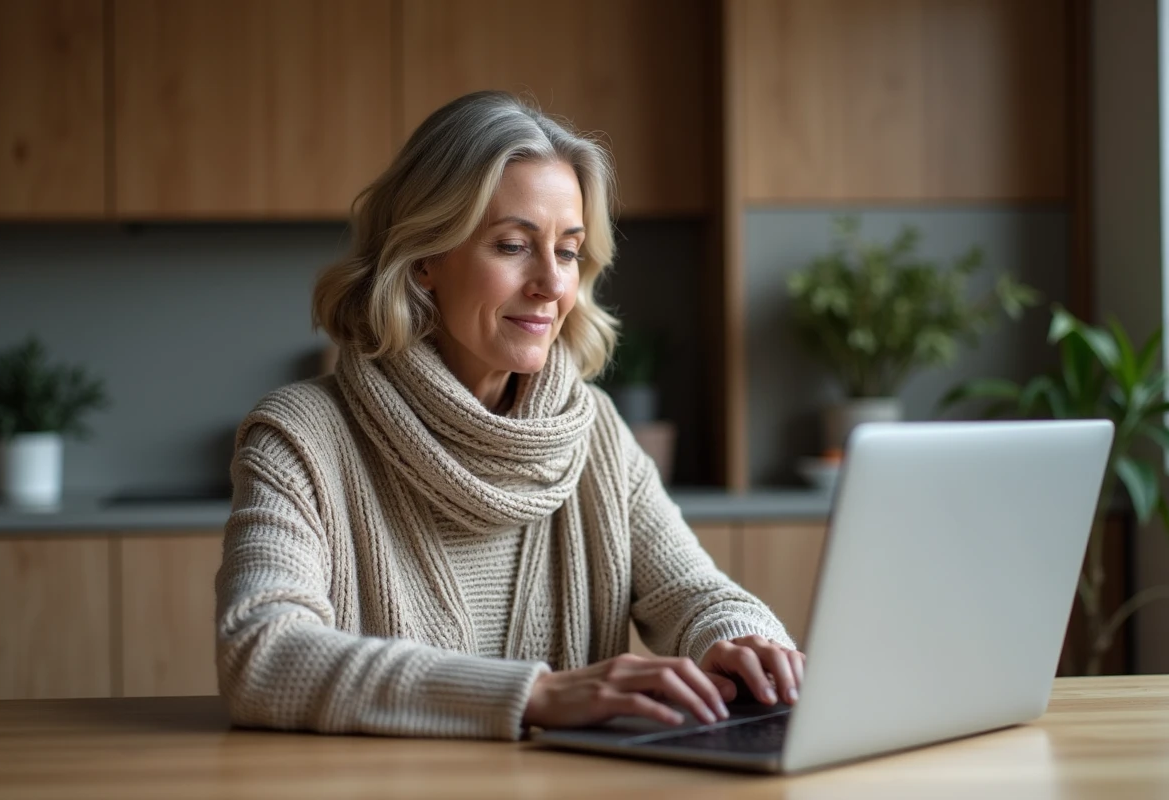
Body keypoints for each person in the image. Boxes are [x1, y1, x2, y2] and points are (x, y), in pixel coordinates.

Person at [215, 90, 805, 740]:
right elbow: (262, 655)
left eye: (569, 250)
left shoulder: (597, 432)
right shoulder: (300, 436)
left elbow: (694, 594)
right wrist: (537, 694)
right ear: (425, 259)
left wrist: (743, 642)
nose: (553, 284)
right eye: (513, 245)